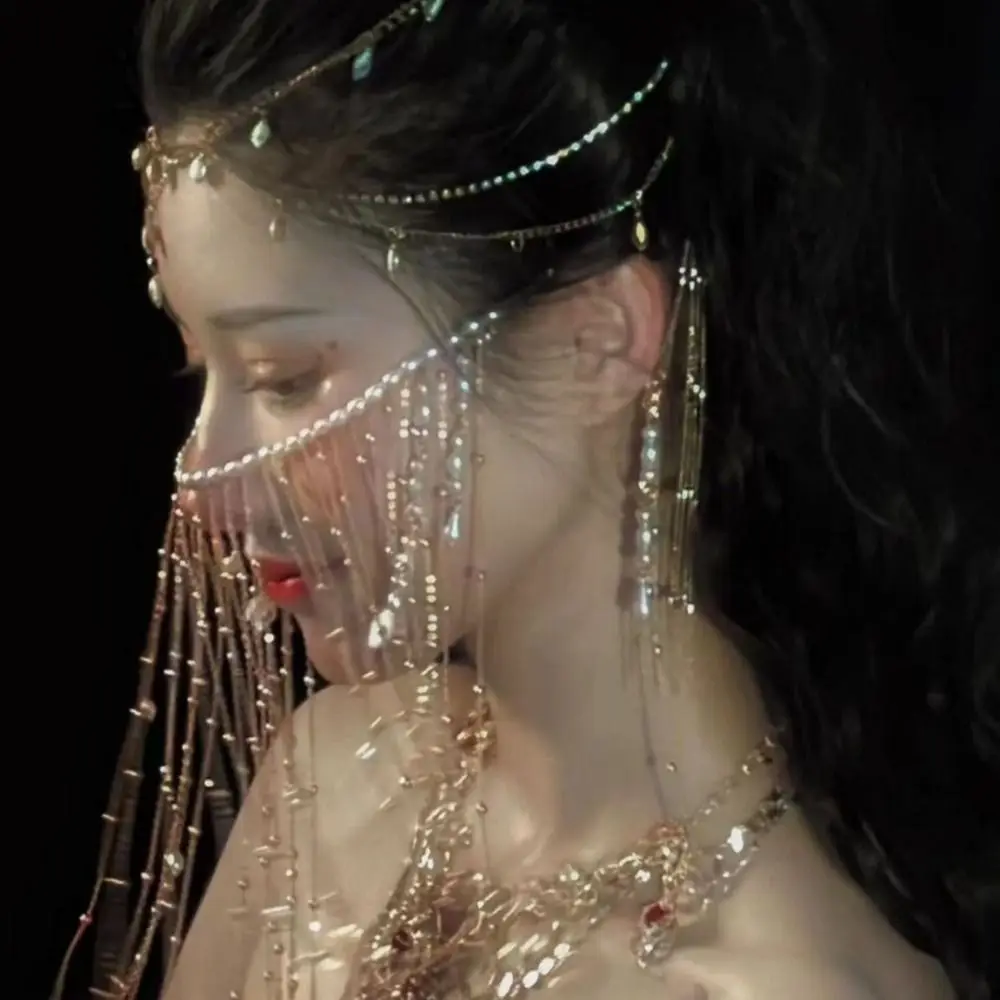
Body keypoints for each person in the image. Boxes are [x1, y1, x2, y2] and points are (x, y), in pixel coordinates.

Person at [54, 1, 997, 998]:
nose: (203, 478)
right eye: (198, 369)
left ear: (596, 343)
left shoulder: (777, 981)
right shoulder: (333, 784)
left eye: (285, 377)